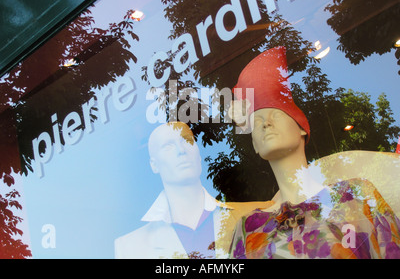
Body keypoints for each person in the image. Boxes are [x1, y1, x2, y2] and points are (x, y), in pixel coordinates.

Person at [228, 46, 400, 259]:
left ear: (302, 127)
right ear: (254, 145)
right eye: (256, 121)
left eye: (276, 114)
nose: (265, 124)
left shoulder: (356, 196)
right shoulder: (248, 230)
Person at [114, 121, 271, 259]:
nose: (181, 150)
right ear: (154, 165)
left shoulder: (255, 215)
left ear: (198, 153)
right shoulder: (129, 248)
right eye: (168, 146)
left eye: (187, 141)